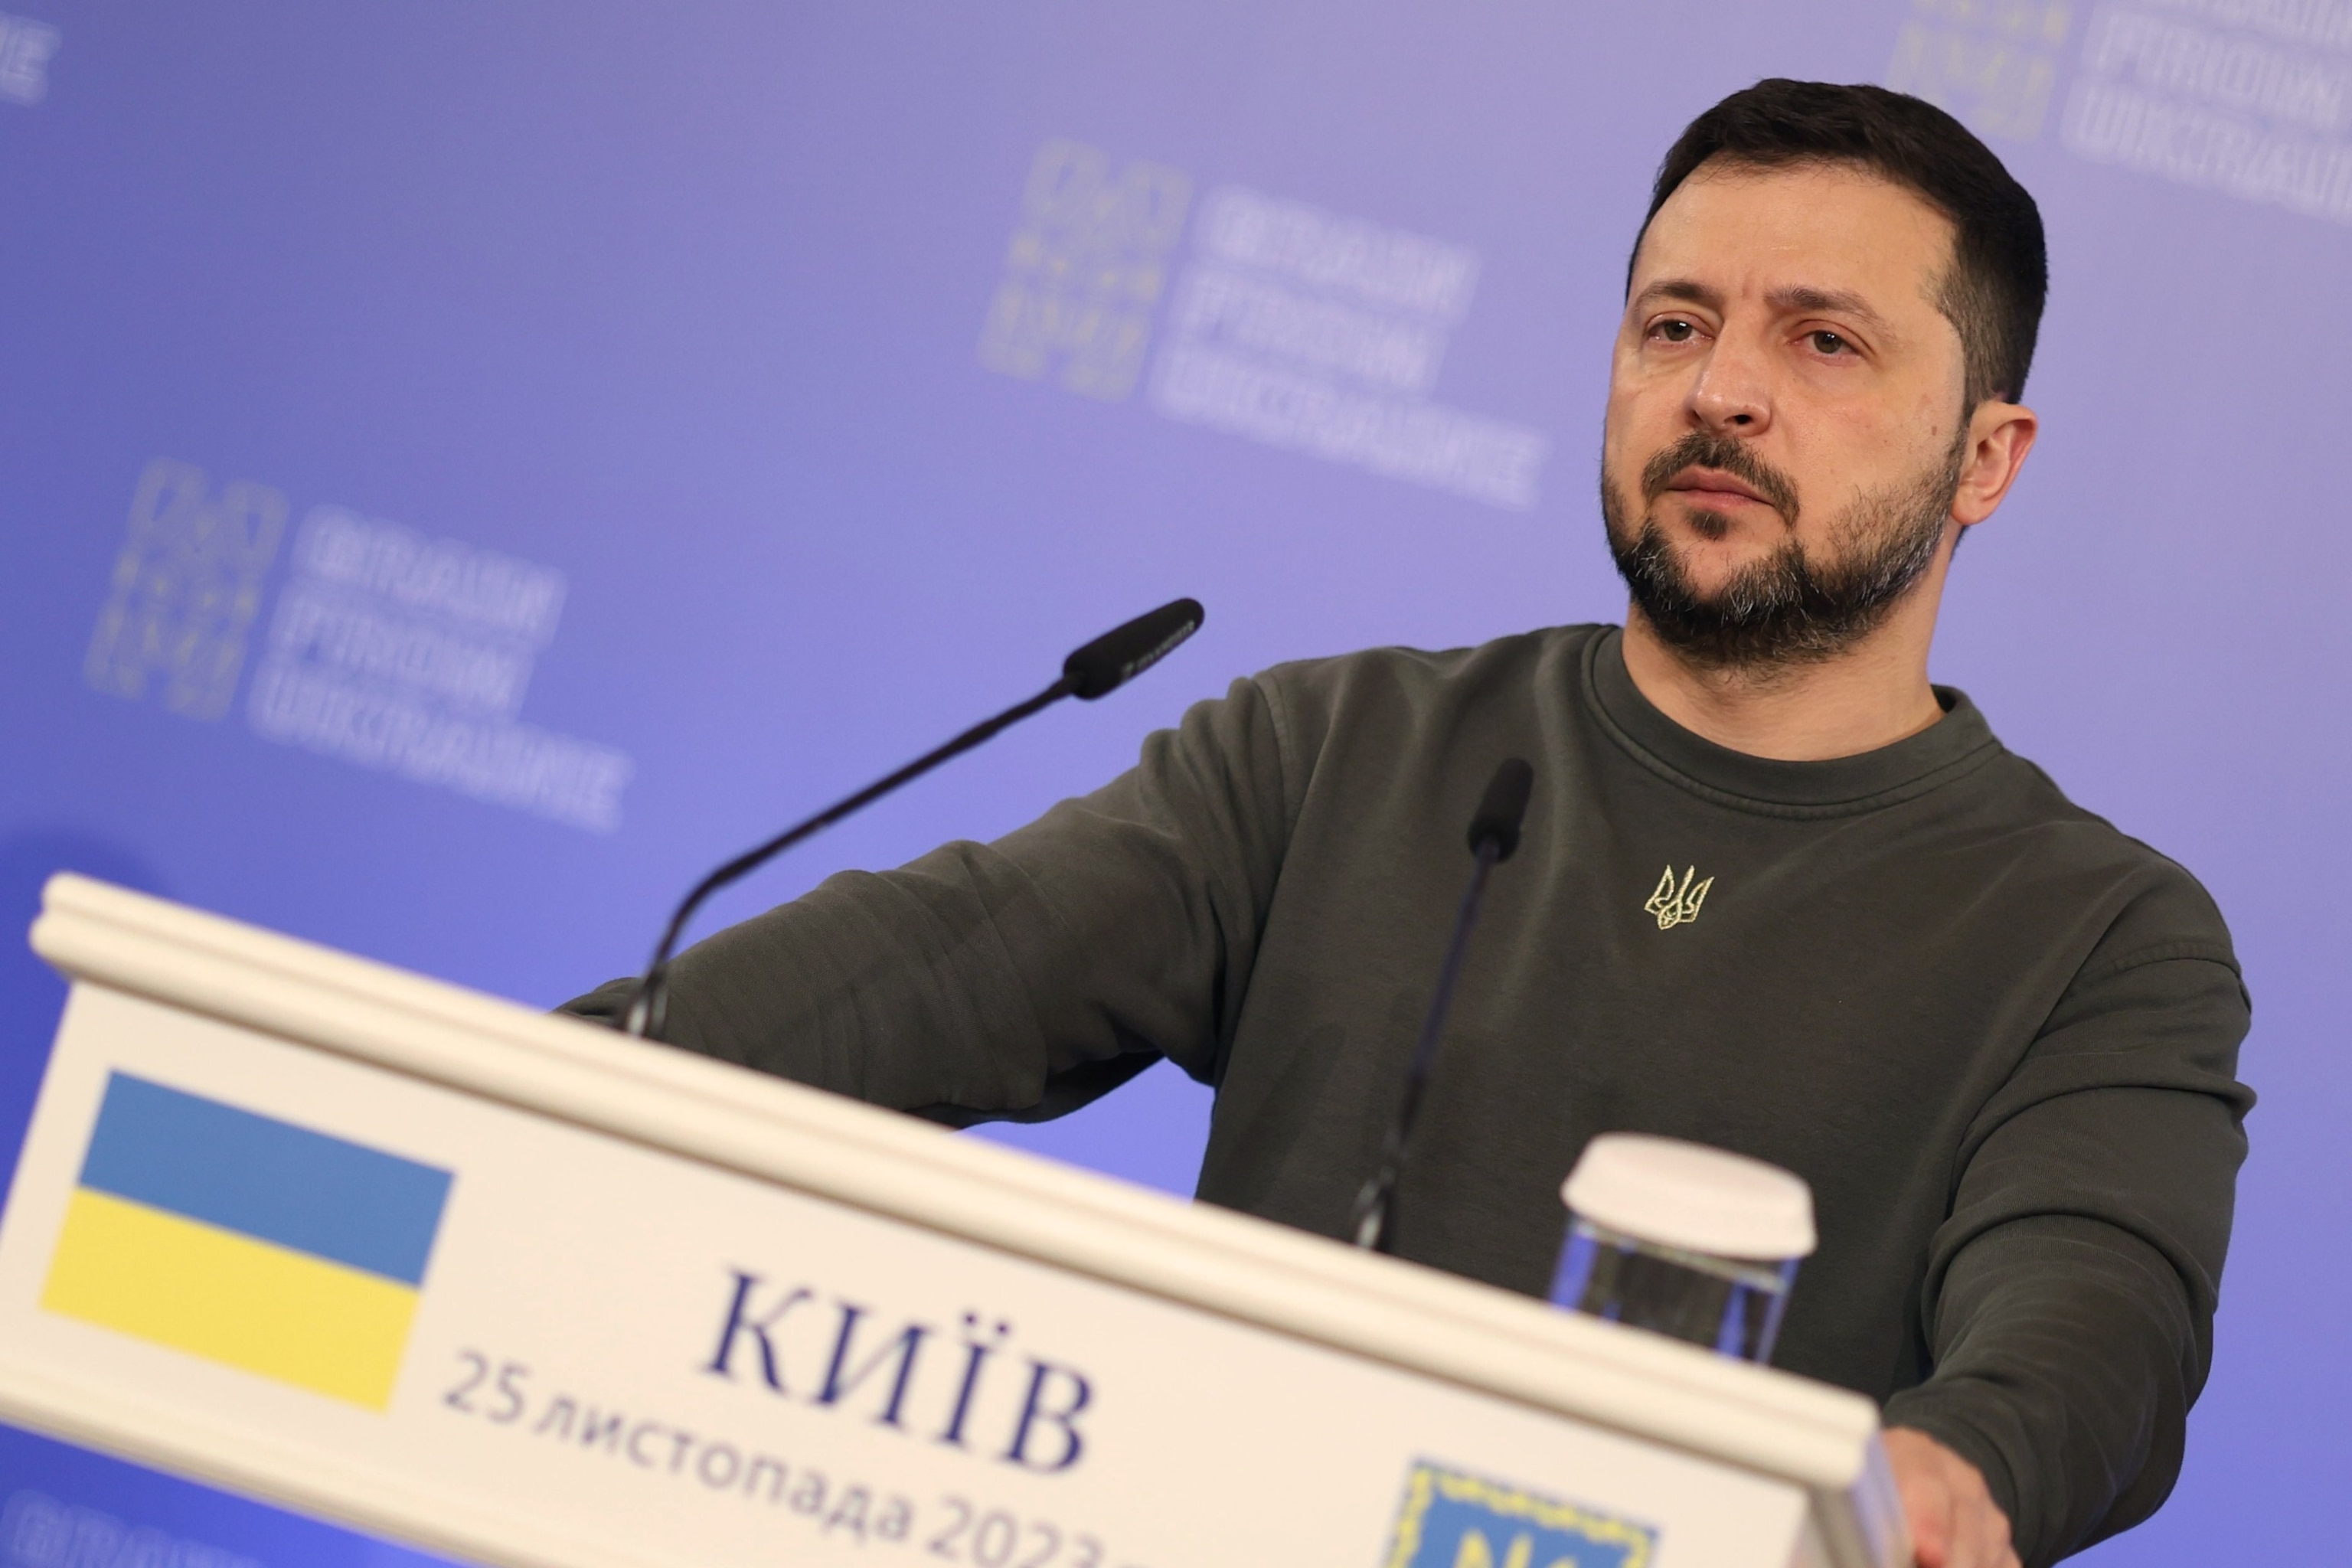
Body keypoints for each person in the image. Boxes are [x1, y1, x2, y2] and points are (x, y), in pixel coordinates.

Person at [564, 80, 2252, 1568]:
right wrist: (519, 1088)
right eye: (1674, 326)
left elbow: (2098, 1317)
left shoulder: (2099, 935)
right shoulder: (1346, 748)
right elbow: (935, 969)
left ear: (1987, 457)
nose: (1722, 389)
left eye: (1822, 341)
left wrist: (1955, 1468)